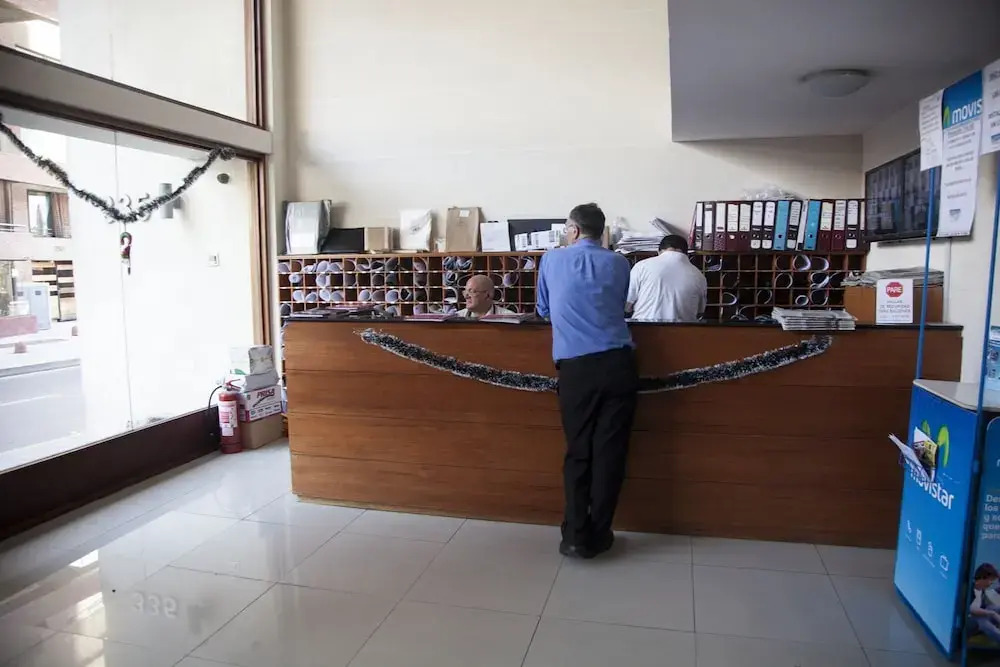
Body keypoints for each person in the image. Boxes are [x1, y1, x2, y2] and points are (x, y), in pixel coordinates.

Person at [536, 202, 637, 559]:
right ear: (601, 231)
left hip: (577, 368)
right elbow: (620, 305)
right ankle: (600, 532)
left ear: (574, 230)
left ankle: (575, 536)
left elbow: (544, 310)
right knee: (610, 452)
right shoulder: (620, 262)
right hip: (619, 364)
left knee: (579, 451)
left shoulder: (551, 260)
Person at [626, 234, 707, 321]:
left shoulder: (641, 266)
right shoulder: (699, 275)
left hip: (644, 326)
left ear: (659, 251)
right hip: (684, 328)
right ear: (686, 254)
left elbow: (627, 305)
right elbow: (700, 311)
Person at [970, 564, 1000, 643]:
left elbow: (986, 607)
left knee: (994, 607)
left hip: (979, 616)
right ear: (982, 578)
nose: (991, 583)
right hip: (969, 620)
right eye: (990, 580)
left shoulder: (981, 591)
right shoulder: (969, 589)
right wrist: (992, 614)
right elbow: (971, 610)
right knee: (982, 621)